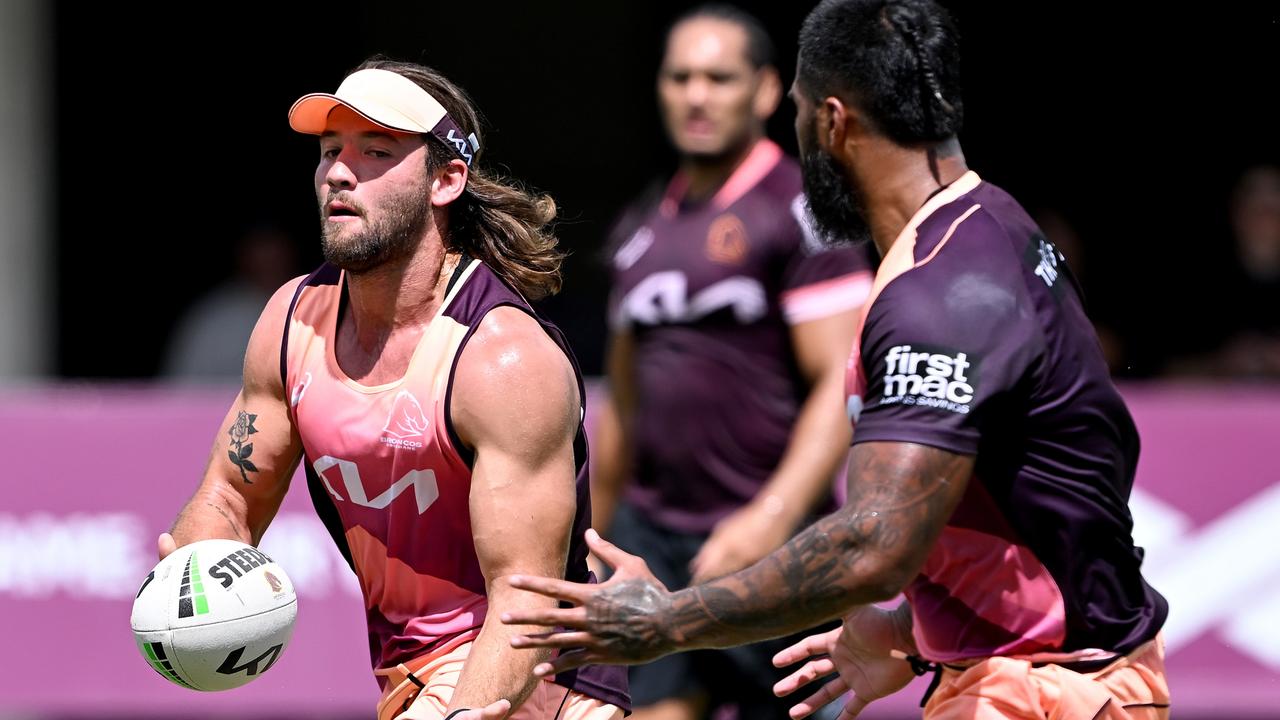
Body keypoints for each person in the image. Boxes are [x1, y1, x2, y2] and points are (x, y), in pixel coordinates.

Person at [501, 1, 1171, 718]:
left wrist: (666, 621)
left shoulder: (941, 291)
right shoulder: (991, 224)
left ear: (831, 120)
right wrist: (918, 631)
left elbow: (876, 545)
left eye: (793, 110)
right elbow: (1043, 486)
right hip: (1034, 672)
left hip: (1053, 690)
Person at [157, 58, 628, 720]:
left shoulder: (500, 358)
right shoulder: (291, 323)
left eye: (375, 151)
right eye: (329, 153)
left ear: (447, 180)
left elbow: (526, 603)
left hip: (538, 677)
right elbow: (231, 495)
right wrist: (198, 576)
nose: (339, 173)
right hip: (410, 672)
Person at [592, 6, 876, 720]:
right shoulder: (637, 229)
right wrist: (589, 538)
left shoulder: (803, 208)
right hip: (651, 541)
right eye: (680, 76)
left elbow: (842, 379)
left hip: (778, 548)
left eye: (718, 78)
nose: (696, 94)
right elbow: (623, 405)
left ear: (764, 89)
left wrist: (768, 517)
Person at [162, 222, 299, 380]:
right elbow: (180, 391)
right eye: (260, 247)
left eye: (275, 247)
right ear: (243, 255)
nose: (269, 258)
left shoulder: (314, 306)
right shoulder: (212, 319)